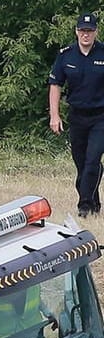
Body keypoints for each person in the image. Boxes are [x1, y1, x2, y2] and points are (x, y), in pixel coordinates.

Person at [51, 14, 104, 218]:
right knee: (82, 165)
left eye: (90, 31)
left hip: (100, 117)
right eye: (82, 30)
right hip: (77, 117)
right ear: (76, 32)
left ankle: (84, 206)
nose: (86, 34)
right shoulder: (66, 55)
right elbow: (55, 84)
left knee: (92, 160)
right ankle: (94, 202)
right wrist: (55, 116)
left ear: (95, 32)